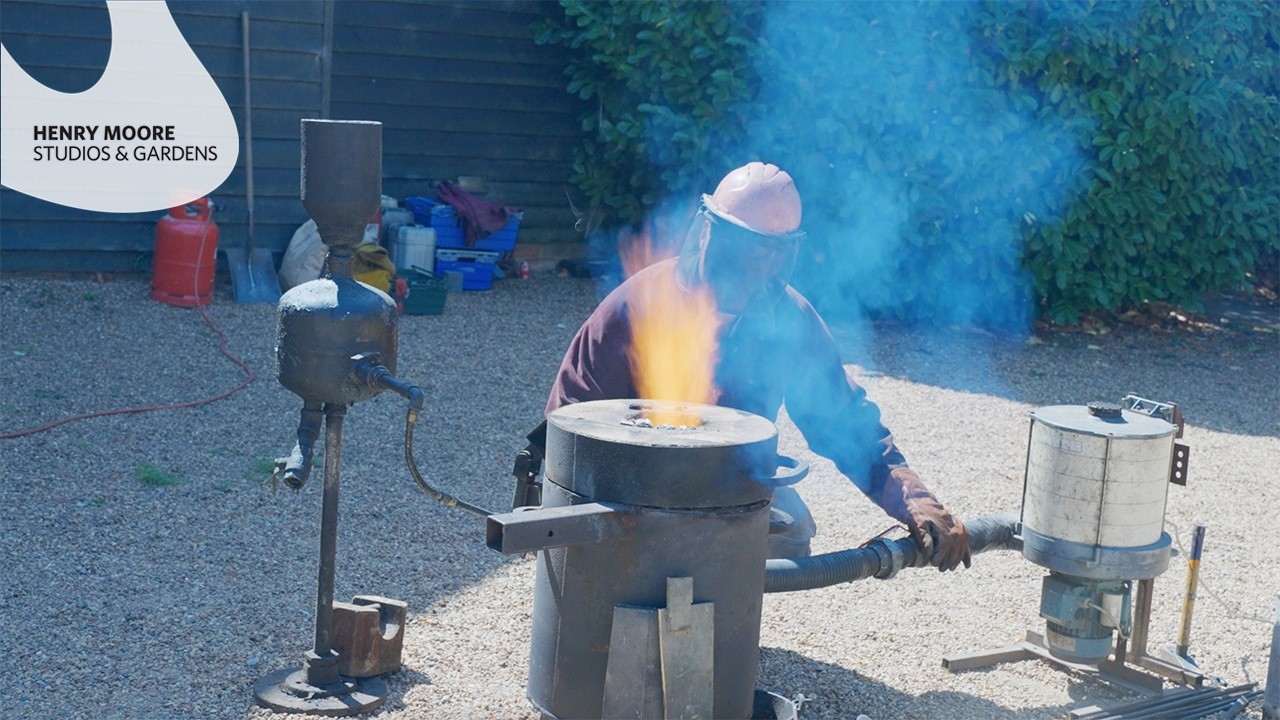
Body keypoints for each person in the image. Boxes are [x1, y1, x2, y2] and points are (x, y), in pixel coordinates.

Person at [517, 162, 971, 571]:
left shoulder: (790, 319)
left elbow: (845, 421)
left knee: (788, 528)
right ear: (707, 231)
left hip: (726, 485)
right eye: (743, 246)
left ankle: (713, 622)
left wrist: (915, 500)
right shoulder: (639, 308)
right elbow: (571, 424)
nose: (756, 263)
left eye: (769, 250)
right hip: (626, 488)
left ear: (785, 252)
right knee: (645, 559)